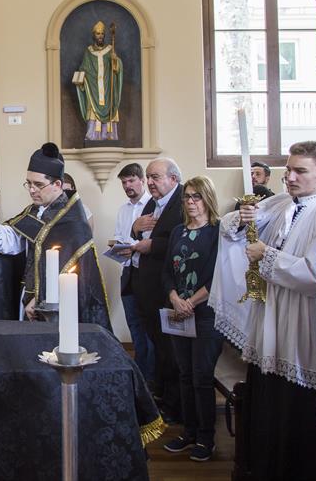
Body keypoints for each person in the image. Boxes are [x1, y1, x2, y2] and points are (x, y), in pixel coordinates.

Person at [213, 141, 316, 480]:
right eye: (288, 169)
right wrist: (241, 216)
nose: (289, 177)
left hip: (302, 327)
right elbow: (231, 225)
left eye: (299, 171)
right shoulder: (280, 203)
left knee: (295, 412)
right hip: (271, 320)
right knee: (268, 405)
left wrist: (267, 257)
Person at [0, 142, 111, 330]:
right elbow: (11, 241)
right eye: (29, 183)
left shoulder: (74, 222)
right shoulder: (35, 211)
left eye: (38, 184)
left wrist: (40, 299)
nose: (32, 190)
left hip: (57, 308)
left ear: (57, 184)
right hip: (27, 297)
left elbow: (71, 273)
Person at [161, 176, 222, 462]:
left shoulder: (218, 232)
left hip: (206, 314)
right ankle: (189, 432)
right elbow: (167, 272)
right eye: (186, 197)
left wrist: (191, 302)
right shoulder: (178, 232)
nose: (190, 202)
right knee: (183, 375)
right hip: (179, 311)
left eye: (196, 196)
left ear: (207, 198)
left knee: (201, 377)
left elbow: (217, 276)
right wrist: (175, 298)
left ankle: (207, 439)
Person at [129, 157, 184, 422]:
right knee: (158, 346)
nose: (149, 182)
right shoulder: (152, 202)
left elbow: (181, 238)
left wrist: (152, 246)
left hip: (168, 288)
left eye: (155, 177)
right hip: (147, 285)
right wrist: (134, 228)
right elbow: (142, 233)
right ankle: (161, 396)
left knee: (171, 349)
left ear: (173, 179)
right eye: (148, 177)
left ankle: (176, 406)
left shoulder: (183, 201)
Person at [111, 163, 155, 384]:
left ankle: (150, 381)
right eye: (123, 182)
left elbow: (150, 241)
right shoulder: (123, 209)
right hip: (127, 271)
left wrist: (133, 236)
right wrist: (125, 242)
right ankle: (139, 379)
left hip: (146, 274)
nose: (127, 186)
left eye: (131, 181)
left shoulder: (153, 205)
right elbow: (120, 239)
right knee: (135, 327)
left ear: (142, 180)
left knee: (149, 333)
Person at [73, 20, 123, 142]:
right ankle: (92, 137)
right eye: (97, 34)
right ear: (93, 35)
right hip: (94, 88)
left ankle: (109, 136)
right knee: (93, 111)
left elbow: (117, 69)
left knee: (110, 107)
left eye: (102, 34)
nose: (100, 36)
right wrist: (81, 79)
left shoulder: (110, 49)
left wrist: (115, 61)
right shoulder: (89, 52)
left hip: (107, 88)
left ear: (104, 35)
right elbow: (84, 68)